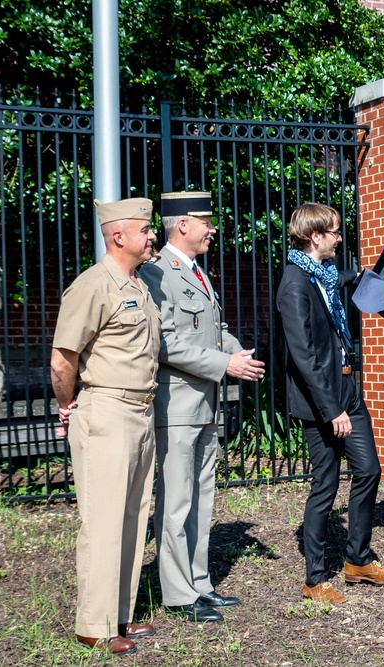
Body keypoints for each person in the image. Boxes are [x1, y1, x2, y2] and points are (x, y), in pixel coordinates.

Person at [139, 191, 265, 623]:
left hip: (203, 403)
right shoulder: (158, 274)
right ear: (183, 225)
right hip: (176, 405)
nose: (213, 229)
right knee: (176, 501)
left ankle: (199, 583)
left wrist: (235, 351)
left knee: (201, 498)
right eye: (206, 221)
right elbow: (165, 342)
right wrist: (223, 363)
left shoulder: (194, 271)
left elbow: (215, 329)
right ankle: (177, 594)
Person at [50, 198, 160, 656]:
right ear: (119, 236)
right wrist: (69, 404)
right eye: (146, 229)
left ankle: (120, 615)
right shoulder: (92, 285)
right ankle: (93, 626)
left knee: (133, 516)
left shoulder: (140, 283)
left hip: (140, 411)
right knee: (103, 521)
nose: (153, 235)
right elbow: (62, 359)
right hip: (107, 411)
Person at [277, 202, 384, 604]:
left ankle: (358, 561)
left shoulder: (326, 275)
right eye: (333, 232)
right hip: (323, 403)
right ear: (315, 237)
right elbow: (305, 357)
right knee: (325, 485)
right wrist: (333, 410)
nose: (339, 237)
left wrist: (368, 274)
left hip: (349, 389)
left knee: (369, 470)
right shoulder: (294, 284)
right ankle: (314, 579)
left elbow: (344, 279)